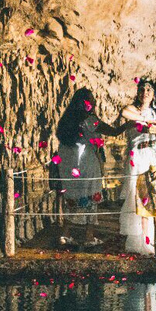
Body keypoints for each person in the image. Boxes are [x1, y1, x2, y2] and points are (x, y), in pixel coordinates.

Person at [56, 87, 128, 247]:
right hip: (86, 162)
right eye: (91, 99)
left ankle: (65, 234)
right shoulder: (89, 119)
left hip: (68, 164)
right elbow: (113, 132)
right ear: (84, 103)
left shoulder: (67, 120)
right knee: (91, 195)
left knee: (72, 196)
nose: (94, 101)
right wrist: (128, 125)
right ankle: (89, 236)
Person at [119, 78, 156, 255]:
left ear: (153, 95)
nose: (145, 92)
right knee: (144, 197)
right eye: (142, 89)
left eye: (149, 90)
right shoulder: (133, 110)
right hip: (140, 155)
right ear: (138, 93)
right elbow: (125, 113)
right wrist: (147, 121)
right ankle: (146, 239)